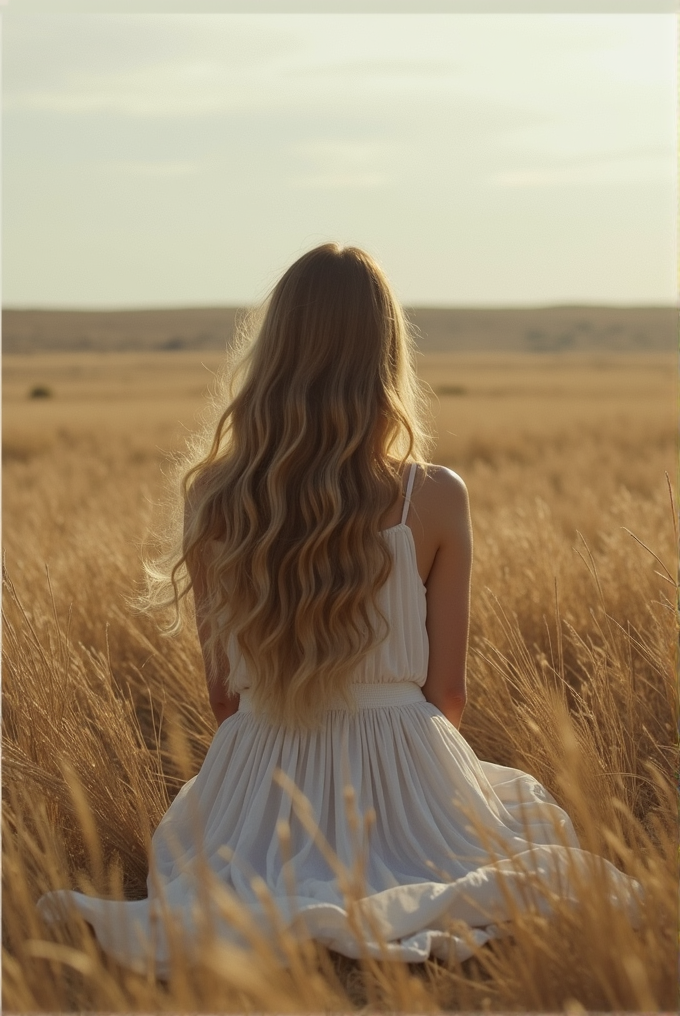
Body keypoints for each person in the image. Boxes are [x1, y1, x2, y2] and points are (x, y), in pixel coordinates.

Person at [38, 243, 642, 975]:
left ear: (276, 350)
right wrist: (405, 784)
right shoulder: (436, 497)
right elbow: (446, 697)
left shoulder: (216, 498)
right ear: (386, 351)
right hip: (404, 764)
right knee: (510, 852)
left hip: (261, 770)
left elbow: (224, 698)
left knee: (227, 878)